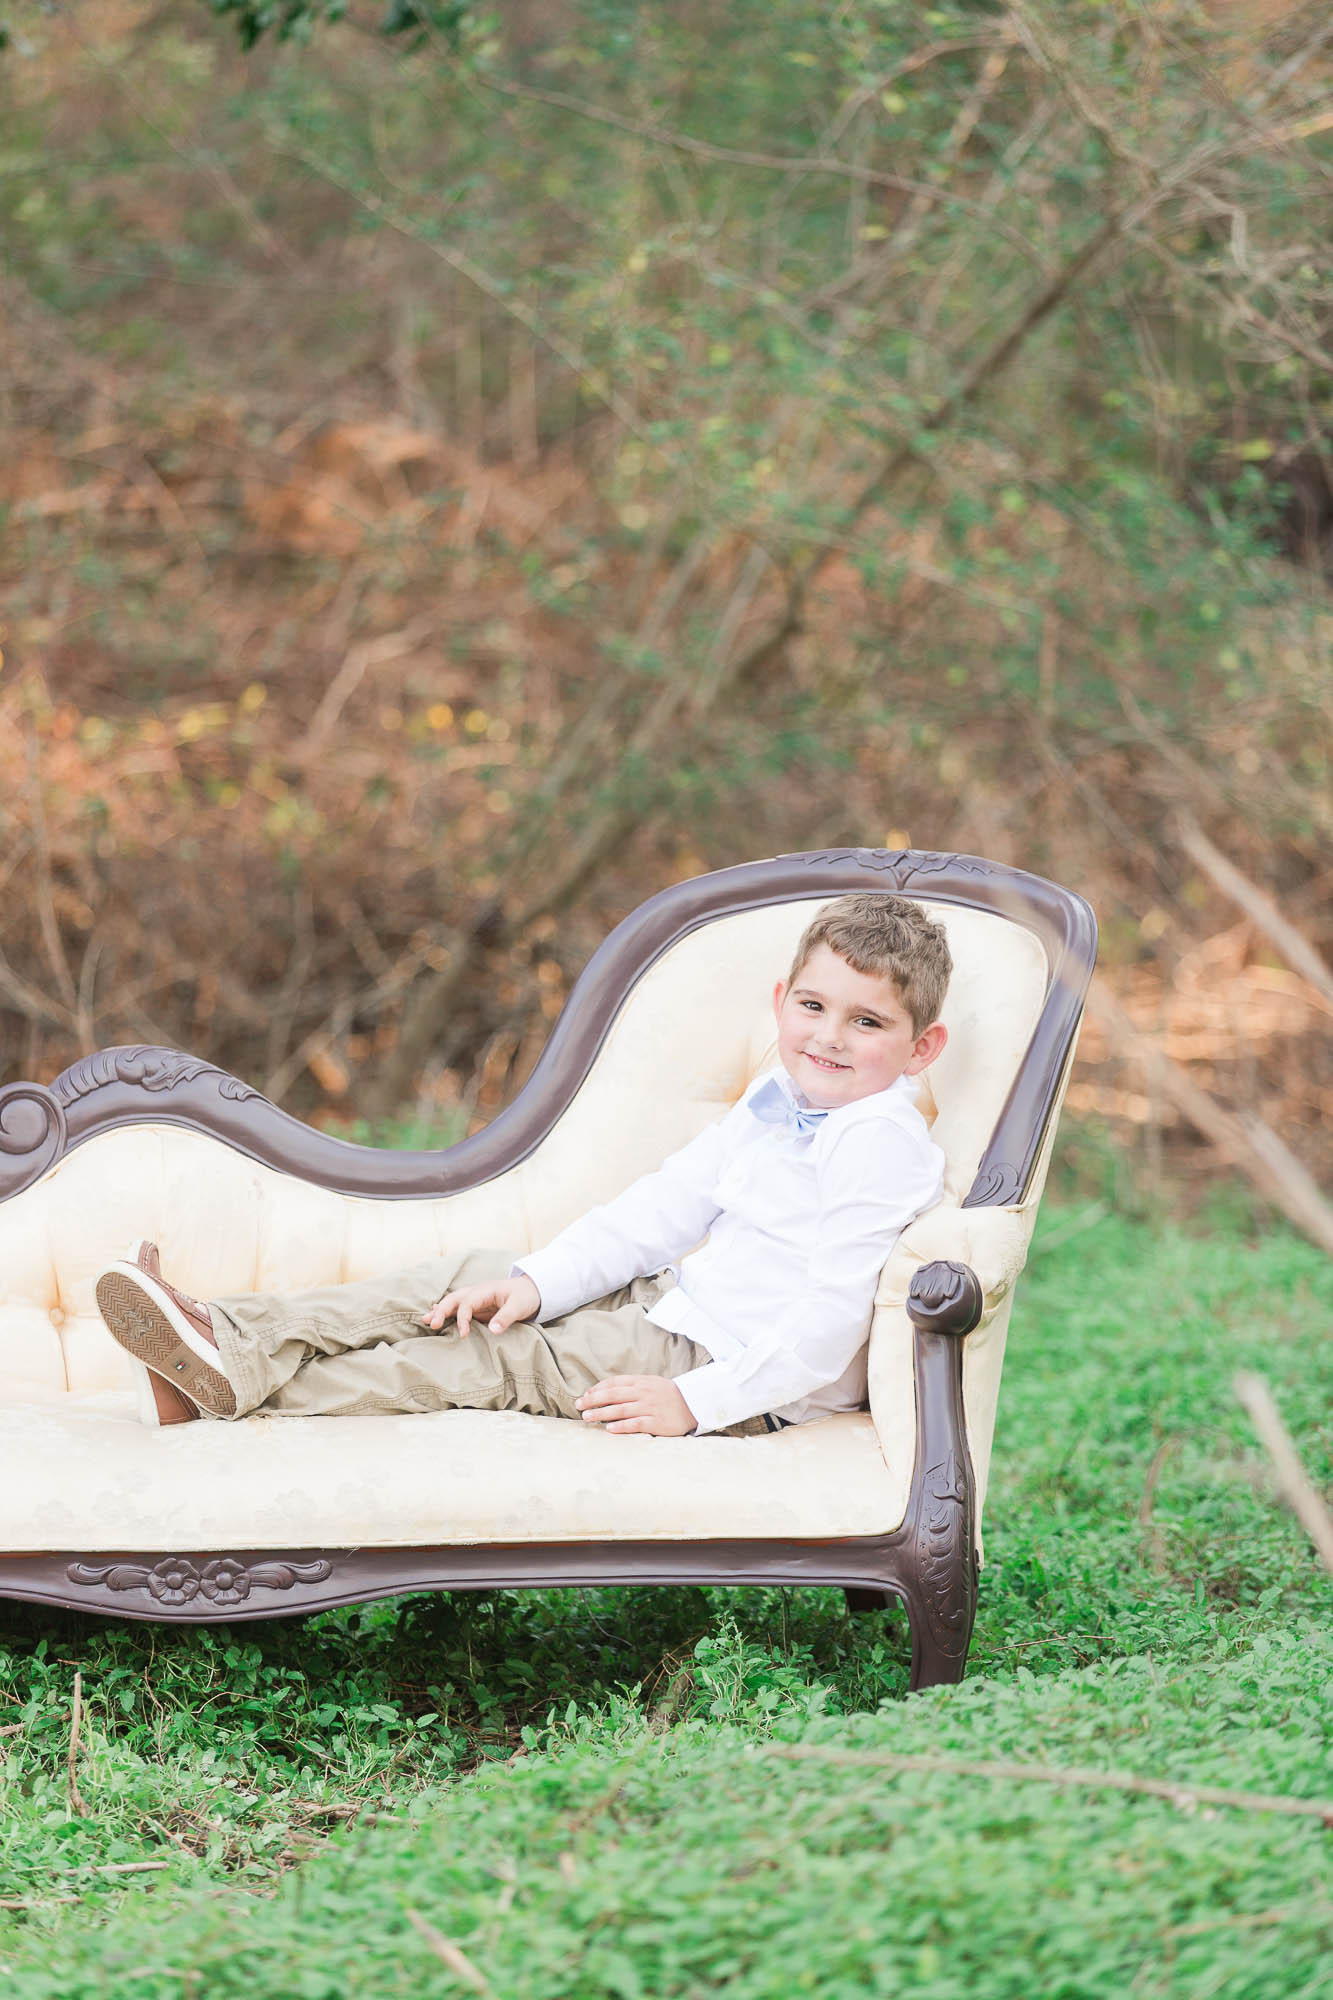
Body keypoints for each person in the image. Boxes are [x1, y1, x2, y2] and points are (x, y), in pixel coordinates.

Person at [94, 893, 950, 1439]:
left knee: (496, 1359)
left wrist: (702, 1403)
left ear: (920, 1048)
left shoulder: (874, 1142)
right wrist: (540, 1283)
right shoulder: (778, 1096)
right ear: (781, 1003)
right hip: (678, 1302)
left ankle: (214, 1394)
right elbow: (662, 1209)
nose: (829, 1037)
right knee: (472, 1278)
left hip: (727, 1363)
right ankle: (229, 1334)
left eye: (866, 1022)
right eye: (812, 1006)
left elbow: (829, 1321)